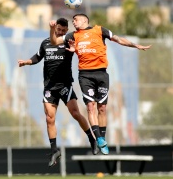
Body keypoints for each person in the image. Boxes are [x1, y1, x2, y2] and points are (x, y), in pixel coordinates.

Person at [49, 14, 151, 155]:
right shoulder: (73, 35)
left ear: (85, 20)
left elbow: (118, 39)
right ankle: (99, 139)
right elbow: (54, 42)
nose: (73, 22)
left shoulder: (99, 30)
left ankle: (102, 136)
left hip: (102, 74)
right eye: (72, 20)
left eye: (76, 19)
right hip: (85, 75)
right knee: (90, 107)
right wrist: (52, 29)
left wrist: (135, 45)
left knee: (102, 108)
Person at [18, 18, 99, 167]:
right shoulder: (45, 43)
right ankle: (54, 150)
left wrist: (75, 51)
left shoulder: (68, 43)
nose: (61, 32)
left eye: (63, 30)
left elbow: (81, 52)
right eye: (59, 30)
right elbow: (37, 57)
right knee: (49, 118)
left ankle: (92, 139)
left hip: (65, 86)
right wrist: (26, 62)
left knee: (75, 113)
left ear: (66, 31)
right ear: (55, 29)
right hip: (50, 87)